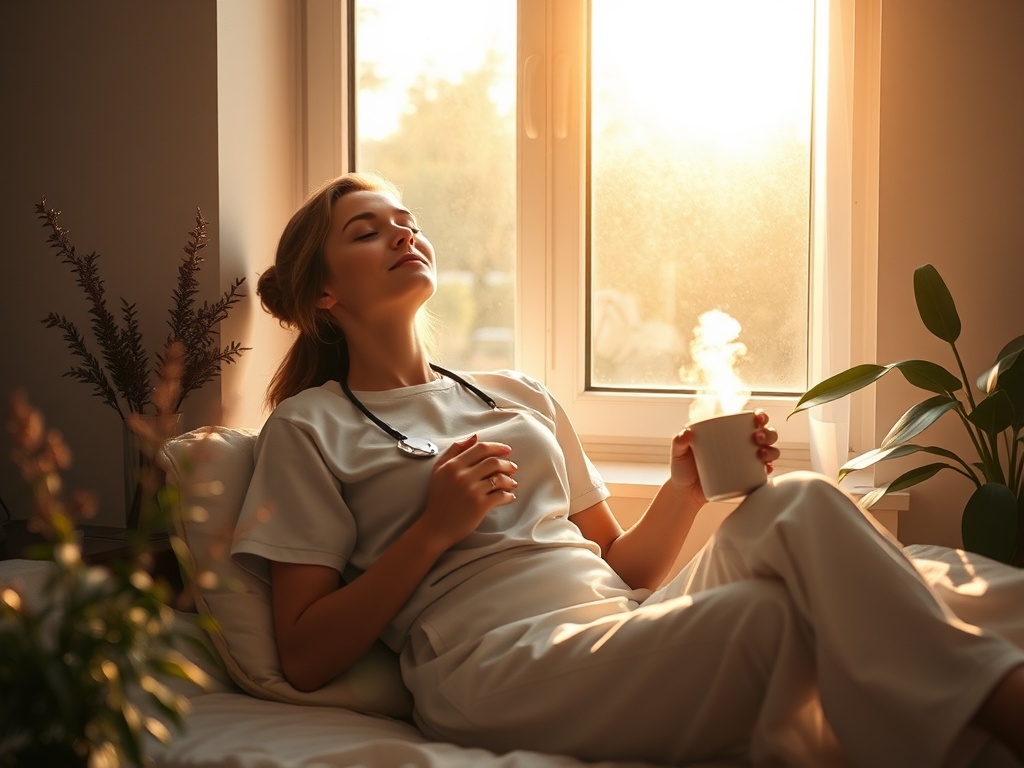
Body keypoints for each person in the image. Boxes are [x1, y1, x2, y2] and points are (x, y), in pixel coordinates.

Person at [234, 172, 1024, 767]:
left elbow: (622, 565)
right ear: (324, 294)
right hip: (500, 663)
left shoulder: (518, 394)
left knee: (804, 504)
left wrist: (683, 489)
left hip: (618, 618)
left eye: (407, 221)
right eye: (369, 231)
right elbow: (304, 656)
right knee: (779, 619)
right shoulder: (309, 427)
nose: (404, 234)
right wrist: (433, 530)